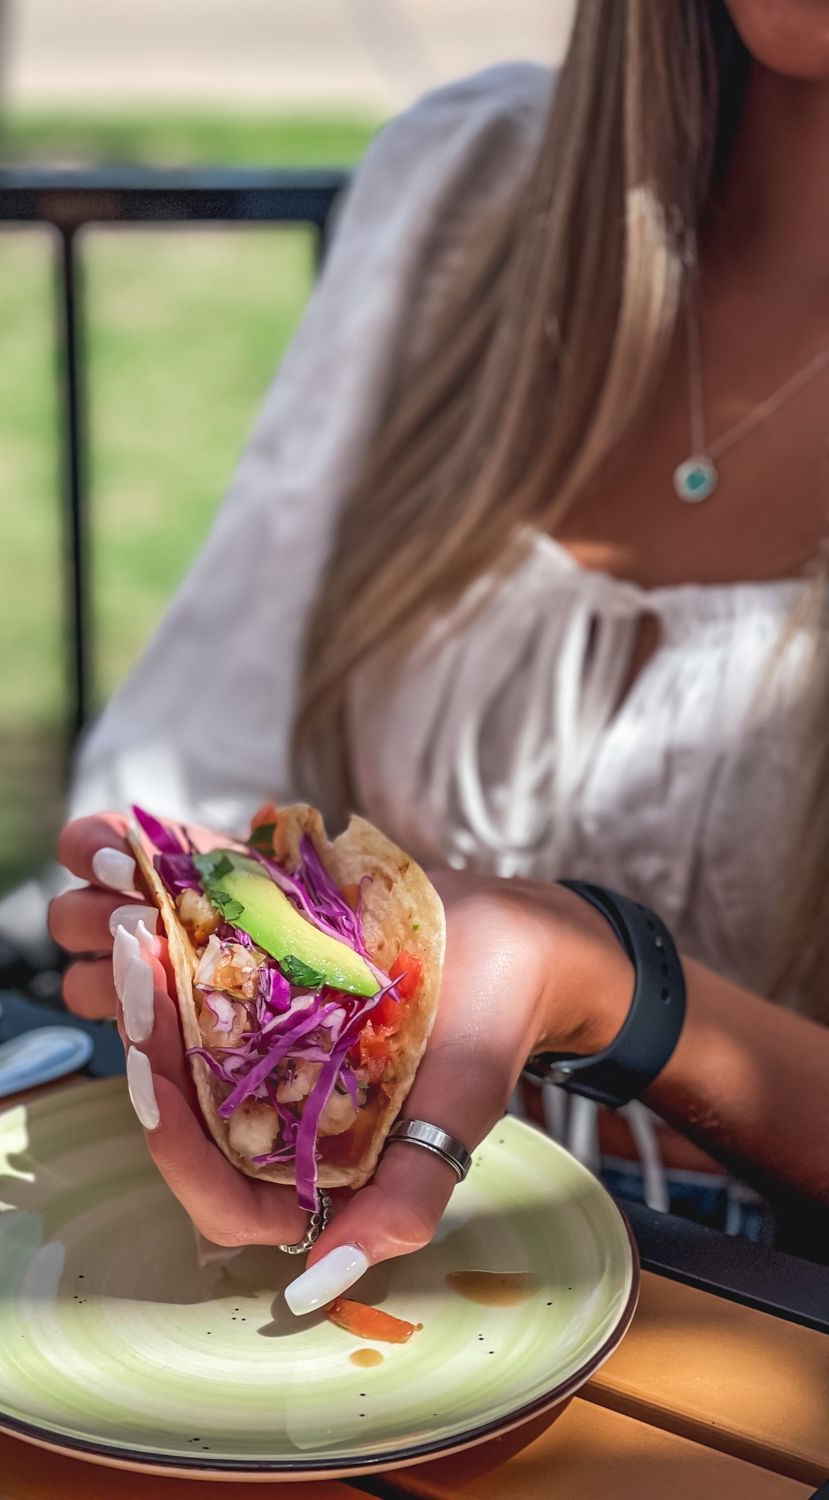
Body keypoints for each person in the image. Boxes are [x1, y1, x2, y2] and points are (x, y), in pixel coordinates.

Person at [45, 0, 829, 1302]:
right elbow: (204, 752)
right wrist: (204, 960)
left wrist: (616, 986)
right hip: (363, 1303)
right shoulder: (467, 186)